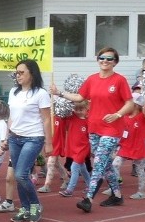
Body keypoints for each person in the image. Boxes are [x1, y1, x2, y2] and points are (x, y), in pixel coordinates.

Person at [50, 47, 134, 212]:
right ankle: (117, 196)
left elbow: (129, 103)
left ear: (115, 62)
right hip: (94, 128)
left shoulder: (119, 80)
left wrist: (117, 115)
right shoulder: (92, 79)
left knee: (98, 162)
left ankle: (88, 198)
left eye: (109, 59)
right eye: (102, 57)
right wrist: (59, 92)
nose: (105, 61)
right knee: (106, 164)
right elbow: (80, 97)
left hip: (112, 129)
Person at [5, 59, 52, 222]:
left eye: (21, 72)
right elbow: (11, 117)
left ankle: (35, 205)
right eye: (16, 73)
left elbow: (46, 119)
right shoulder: (13, 92)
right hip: (15, 138)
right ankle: (24, 208)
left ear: (32, 73)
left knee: (21, 174)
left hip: (33, 137)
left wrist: (49, 142)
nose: (18, 75)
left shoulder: (41, 93)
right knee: (19, 176)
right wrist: (6, 137)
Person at [112, 94, 145, 199]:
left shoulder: (142, 117)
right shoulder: (124, 117)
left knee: (140, 170)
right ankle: (114, 188)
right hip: (125, 146)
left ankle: (141, 192)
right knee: (114, 165)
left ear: (136, 105)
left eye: (129, 104)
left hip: (138, 148)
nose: (126, 106)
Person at [58, 101, 92, 197]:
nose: (78, 112)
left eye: (81, 110)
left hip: (83, 149)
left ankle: (70, 190)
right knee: (83, 168)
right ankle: (90, 185)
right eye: (76, 109)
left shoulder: (88, 121)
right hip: (73, 148)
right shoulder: (72, 117)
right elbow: (63, 116)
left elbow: (91, 135)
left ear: (86, 109)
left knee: (74, 168)